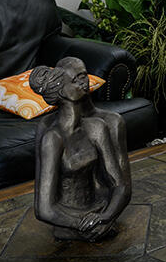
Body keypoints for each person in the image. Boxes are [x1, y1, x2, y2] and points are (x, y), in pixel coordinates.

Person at [29, 57, 131, 242]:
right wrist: (86, 224)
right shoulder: (52, 137)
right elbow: (43, 208)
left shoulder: (97, 127)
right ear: (60, 88)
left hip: (98, 211)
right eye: (77, 79)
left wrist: (105, 217)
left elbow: (120, 185)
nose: (85, 82)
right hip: (70, 222)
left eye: (84, 76)